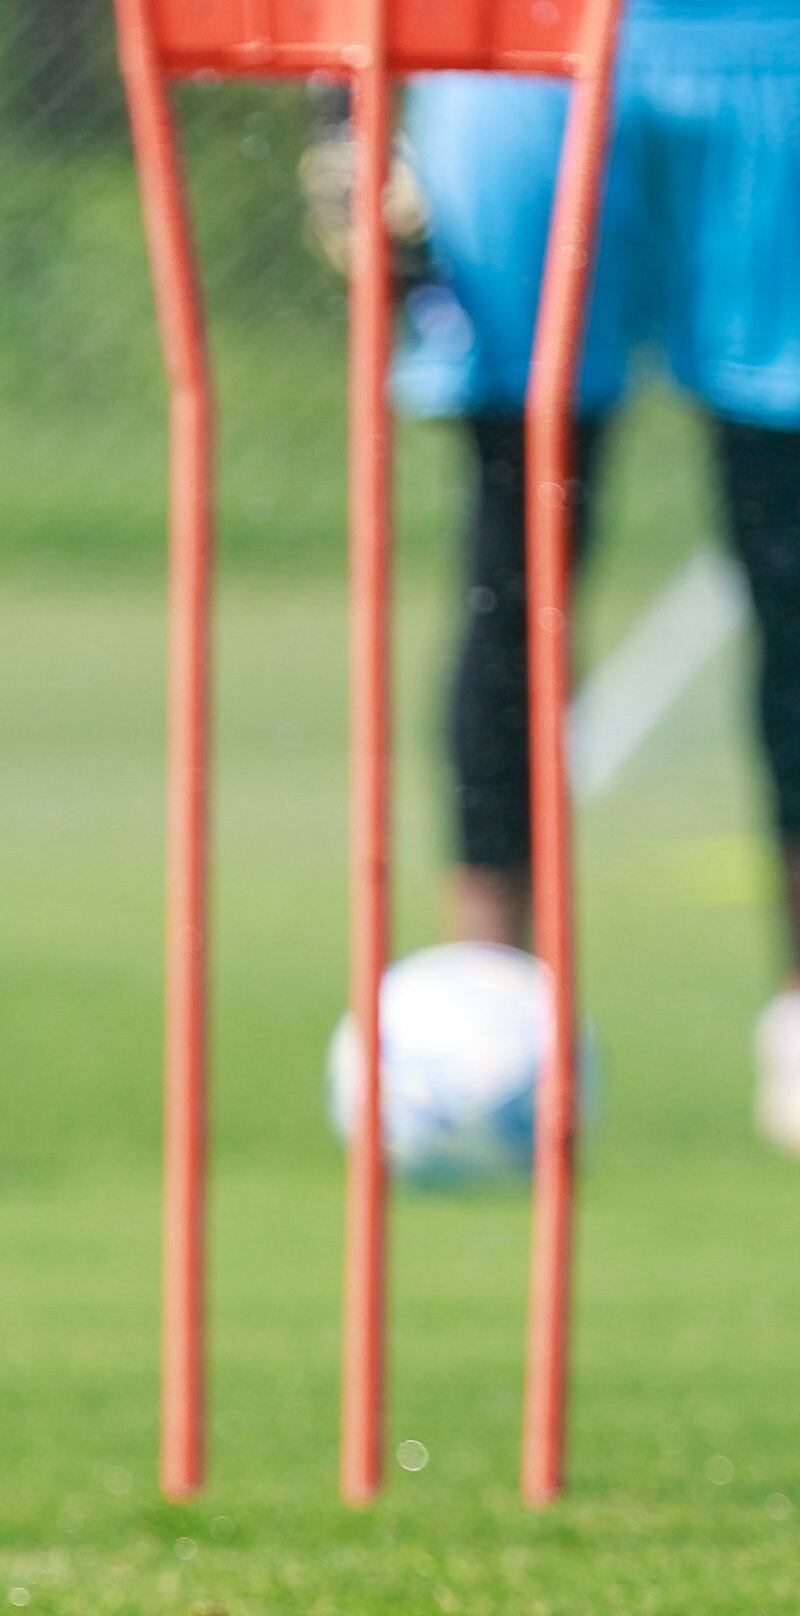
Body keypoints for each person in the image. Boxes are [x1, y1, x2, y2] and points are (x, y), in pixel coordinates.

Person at [394, 0, 800, 1149]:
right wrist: (348, 107)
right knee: (512, 561)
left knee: (796, 571)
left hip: (772, 51)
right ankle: (485, 1013)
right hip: (514, 46)